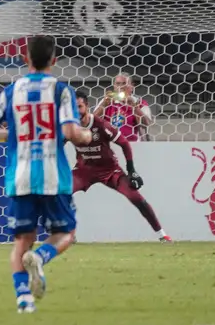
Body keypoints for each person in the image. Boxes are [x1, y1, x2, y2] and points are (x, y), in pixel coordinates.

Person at [0, 35, 93, 314]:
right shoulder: (61, 90)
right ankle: (40, 256)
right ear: (54, 60)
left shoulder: (11, 91)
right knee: (66, 233)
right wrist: (87, 135)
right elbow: (71, 132)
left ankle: (24, 300)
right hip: (54, 176)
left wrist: (10, 135)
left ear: (24, 58)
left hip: (20, 176)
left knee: (22, 240)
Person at [72, 94, 169, 242]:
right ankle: (67, 233)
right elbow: (57, 145)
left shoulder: (101, 124)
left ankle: (162, 235)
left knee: (136, 198)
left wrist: (131, 170)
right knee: (58, 195)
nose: (76, 111)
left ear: (87, 107)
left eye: (79, 107)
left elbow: (124, 143)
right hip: (83, 170)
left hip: (109, 170)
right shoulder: (68, 127)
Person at [94, 73, 153, 142]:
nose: (121, 87)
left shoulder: (140, 103)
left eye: (124, 83)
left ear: (132, 86)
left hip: (133, 145)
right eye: (118, 84)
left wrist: (133, 106)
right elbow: (92, 120)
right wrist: (104, 105)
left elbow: (146, 123)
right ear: (114, 86)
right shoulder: (106, 101)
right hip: (110, 144)